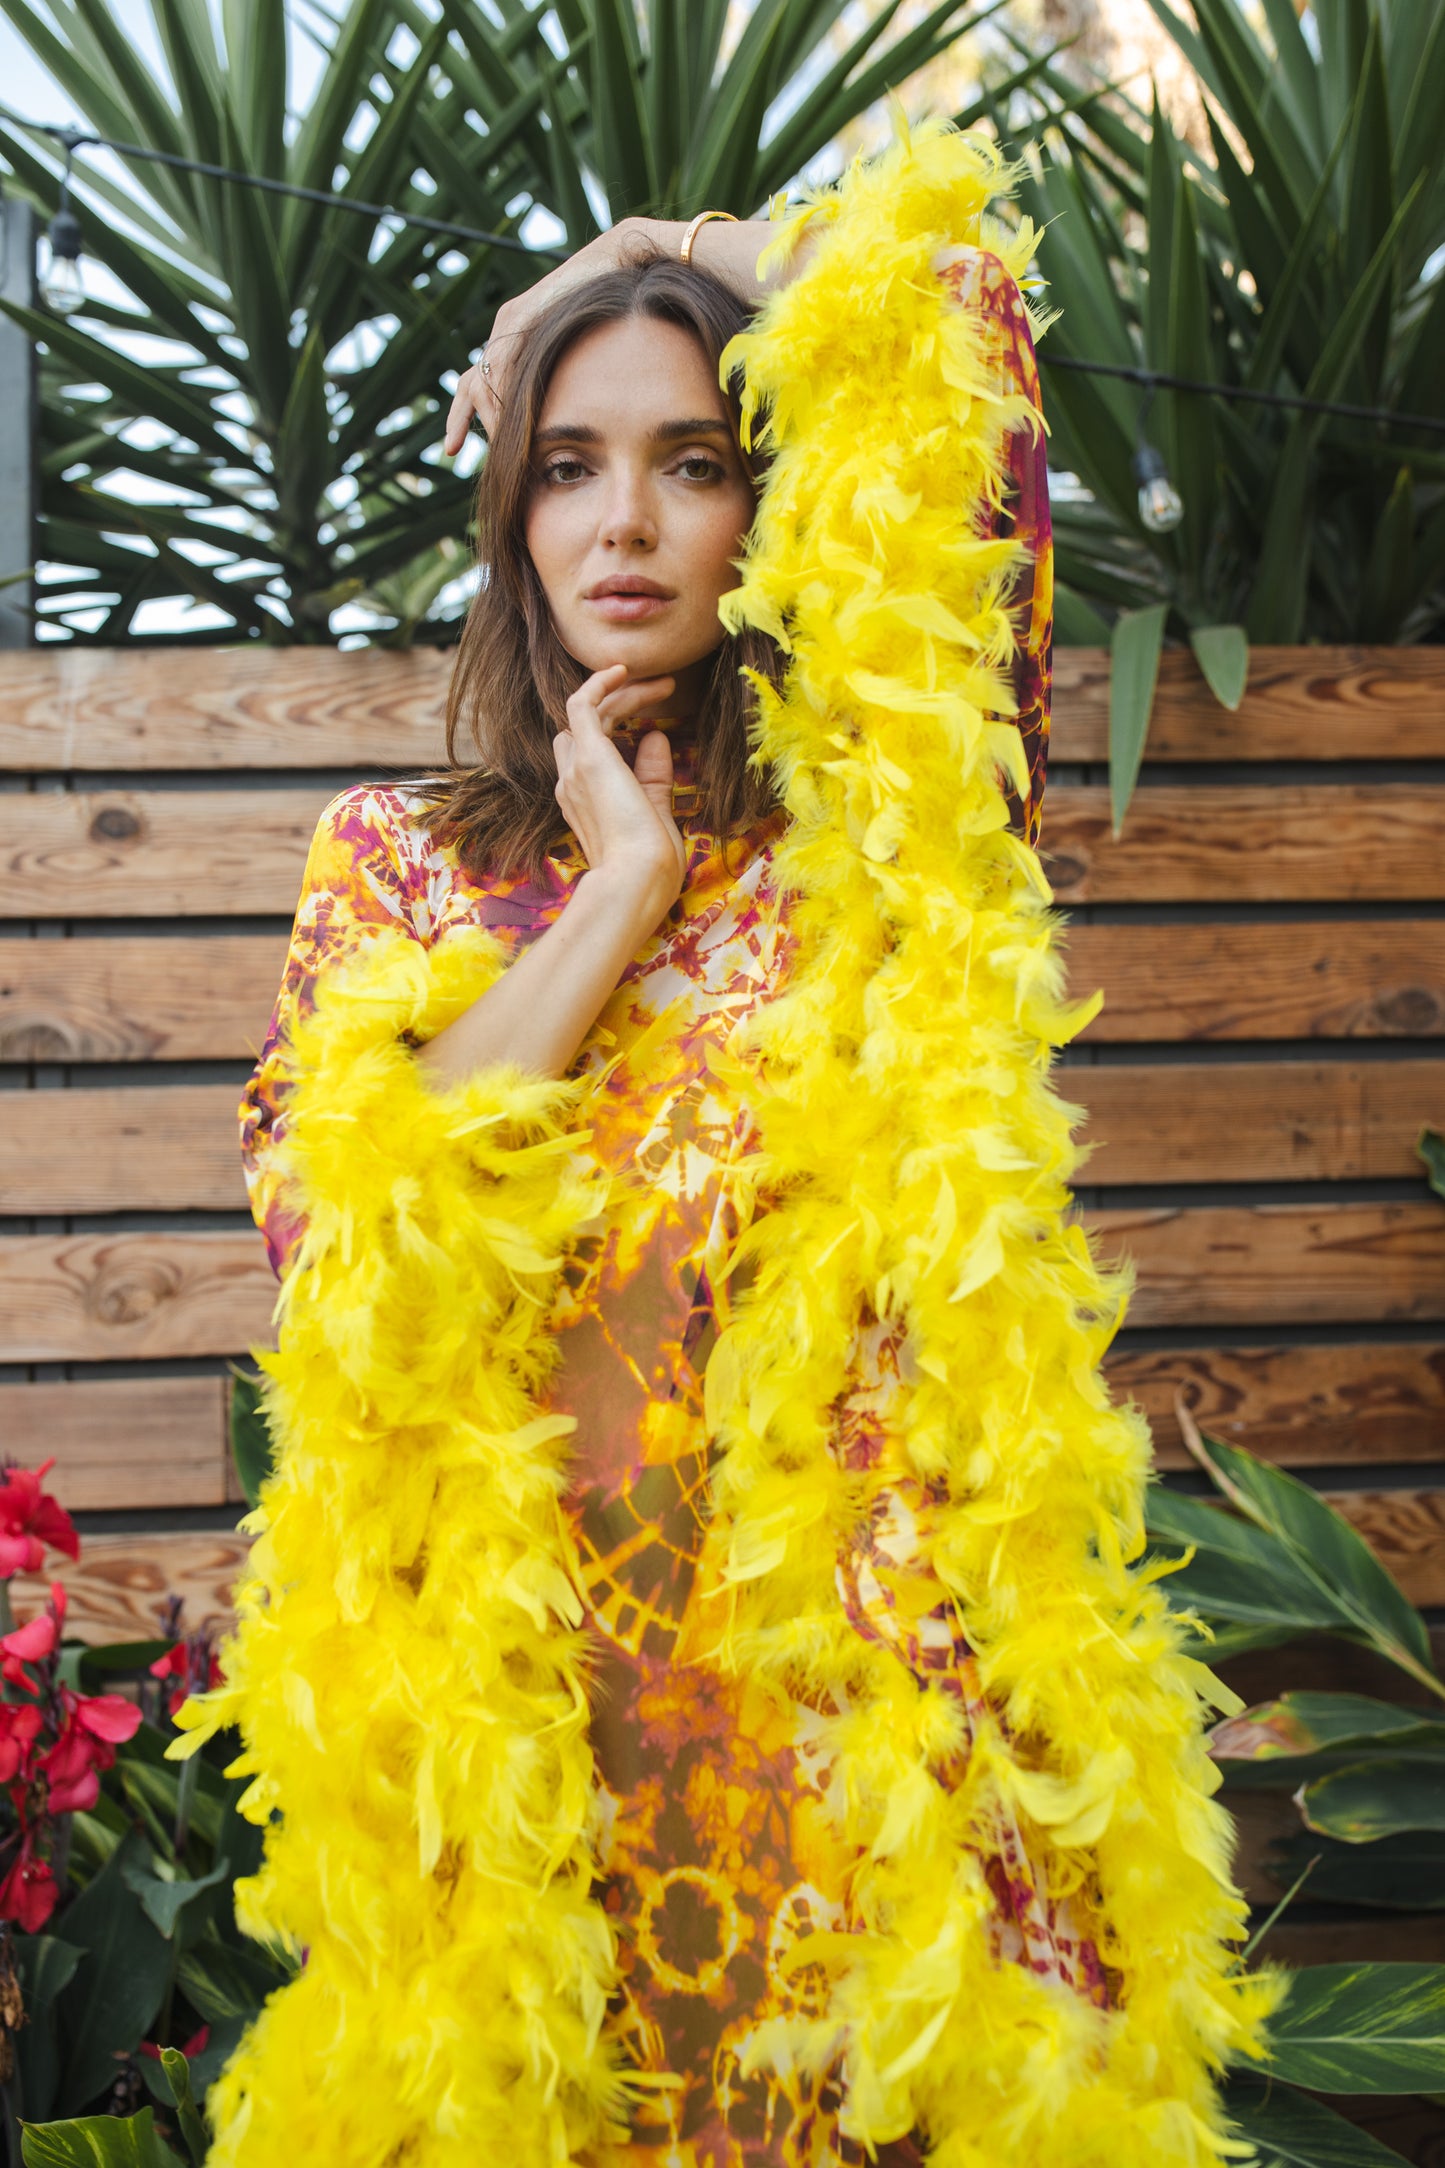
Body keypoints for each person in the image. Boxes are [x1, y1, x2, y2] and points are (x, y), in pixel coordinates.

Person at [190, 127, 1272, 2168]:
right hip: (535, 1783)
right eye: (569, 462)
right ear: (510, 517)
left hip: (868, 1779)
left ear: (764, 503)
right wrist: (612, 890)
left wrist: (654, 254)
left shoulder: (889, 839)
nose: (628, 521)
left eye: (695, 458)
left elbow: (972, 370)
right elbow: (350, 1236)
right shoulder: (399, 870)